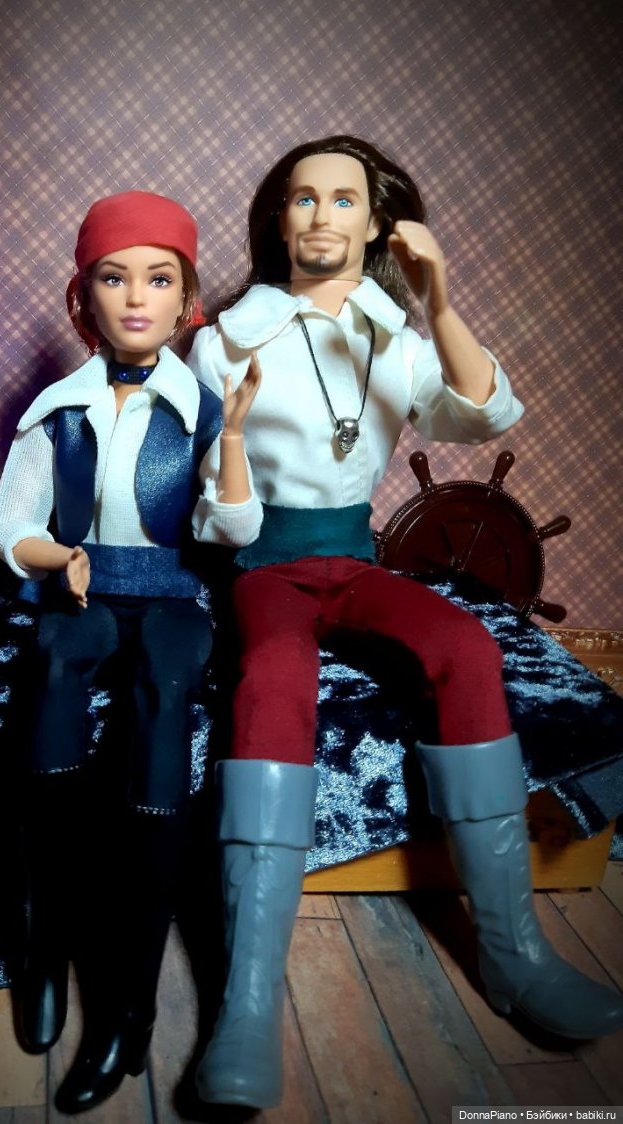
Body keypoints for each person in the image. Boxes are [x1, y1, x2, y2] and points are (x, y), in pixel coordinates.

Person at [187, 135, 623, 1108]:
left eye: (343, 198)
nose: (320, 215)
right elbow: (214, 505)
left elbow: (483, 414)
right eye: (302, 197)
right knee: (272, 675)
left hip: (357, 559)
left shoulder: (397, 336)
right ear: (277, 219)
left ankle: (512, 954)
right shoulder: (225, 338)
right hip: (265, 565)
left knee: (464, 644)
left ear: (377, 221)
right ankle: (247, 1005)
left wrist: (439, 300)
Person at [0, 190, 262, 1114]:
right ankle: (44, 957)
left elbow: (233, 530)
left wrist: (234, 440)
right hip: (83, 586)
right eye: (114, 277)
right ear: (83, 299)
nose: (136, 297)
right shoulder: (57, 410)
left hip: (172, 592)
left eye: (159, 278)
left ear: (188, 301)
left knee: (167, 687)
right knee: (55, 663)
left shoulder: (205, 409)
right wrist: (54, 557)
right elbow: (8, 523)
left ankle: (128, 1011)